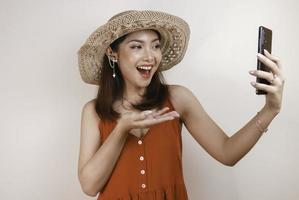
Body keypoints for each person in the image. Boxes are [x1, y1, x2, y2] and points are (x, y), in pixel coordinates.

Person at [77, 10, 285, 200]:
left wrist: (270, 110)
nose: (150, 56)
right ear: (113, 53)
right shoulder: (93, 112)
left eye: (155, 45)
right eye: (136, 46)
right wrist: (121, 129)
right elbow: (89, 186)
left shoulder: (178, 98)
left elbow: (227, 152)